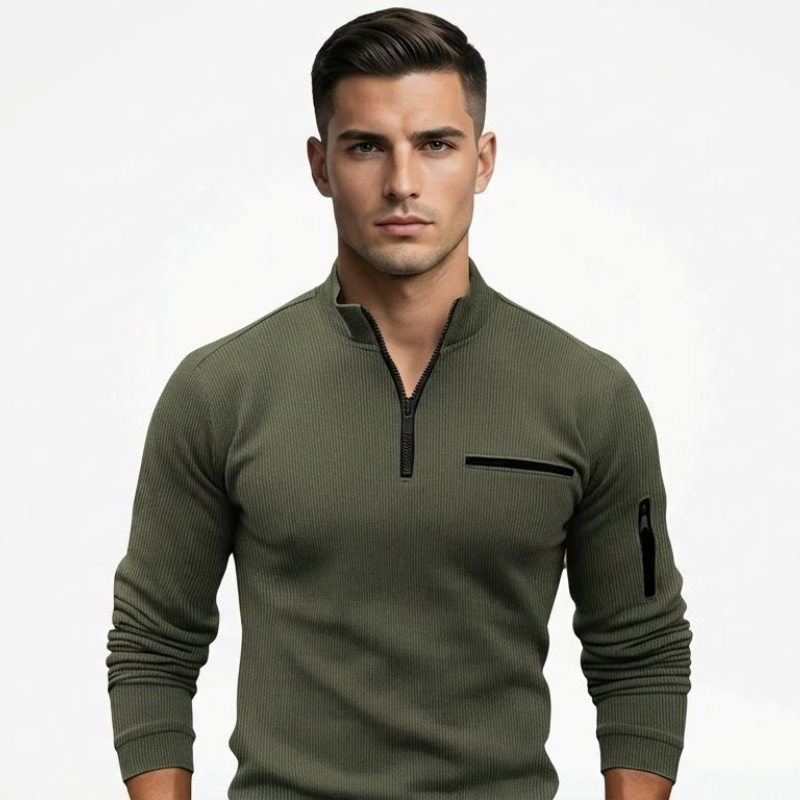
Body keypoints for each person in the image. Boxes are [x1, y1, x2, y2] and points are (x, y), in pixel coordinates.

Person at [106, 7, 692, 799]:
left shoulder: (590, 396)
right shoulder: (219, 391)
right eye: (366, 146)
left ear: (483, 160)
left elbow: (642, 652)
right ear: (321, 165)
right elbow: (153, 645)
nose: (402, 183)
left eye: (436, 144)